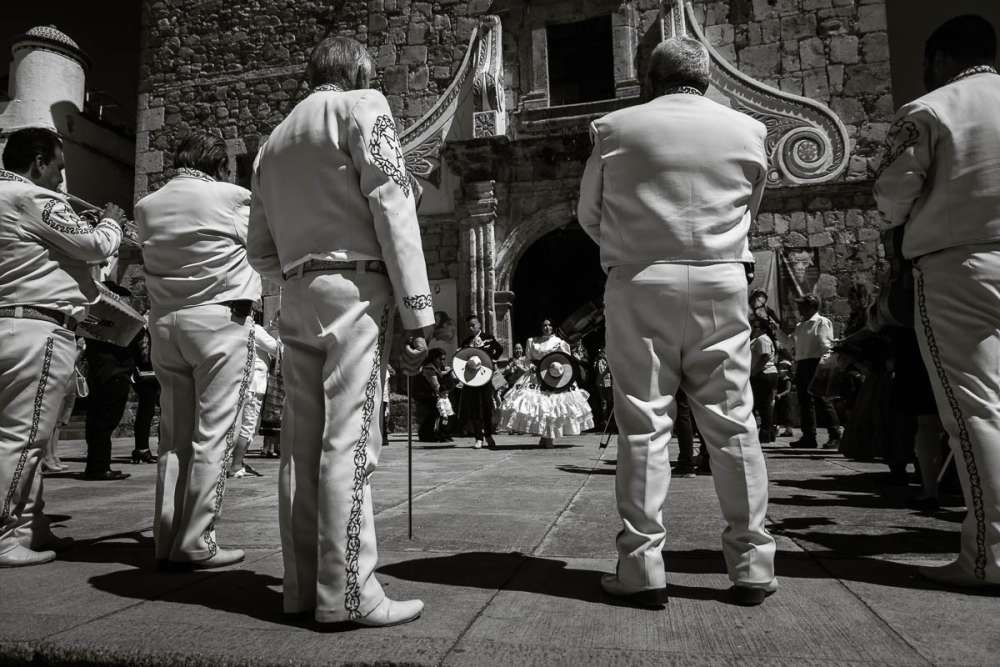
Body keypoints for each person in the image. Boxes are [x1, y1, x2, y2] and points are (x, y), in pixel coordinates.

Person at [577, 36, 777, 607]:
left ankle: (641, 566)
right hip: (721, 279)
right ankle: (753, 563)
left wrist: (630, 245)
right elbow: (749, 209)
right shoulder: (748, 131)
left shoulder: (613, 129)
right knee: (734, 423)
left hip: (641, 280)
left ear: (647, 77)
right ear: (707, 77)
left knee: (644, 423)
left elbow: (588, 212)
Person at [247, 35, 434, 626]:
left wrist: (303, 270)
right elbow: (393, 201)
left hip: (298, 292)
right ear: (357, 71)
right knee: (351, 439)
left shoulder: (271, 142)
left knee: (300, 447)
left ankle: (303, 587)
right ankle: (350, 591)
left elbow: (258, 247)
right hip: (357, 289)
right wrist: (417, 311)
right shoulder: (364, 105)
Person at [874, 14, 1000, 588]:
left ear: (944, 59)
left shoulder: (930, 109)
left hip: (960, 265)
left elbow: (893, 193)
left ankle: (988, 557)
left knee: (977, 412)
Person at [136, 131, 261, 571]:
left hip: (166, 324)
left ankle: (167, 536)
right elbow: (265, 247)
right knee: (215, 434)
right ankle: (197, 539)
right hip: (218, 322)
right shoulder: (230, 197)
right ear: (220, 167)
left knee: (173, 438)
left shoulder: (147, 206)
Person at [0, 127, 124, 567]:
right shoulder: (32, 198)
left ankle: (28, 525)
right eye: (58, 168)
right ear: (38, 163)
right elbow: (93, 246)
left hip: (8, 320)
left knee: (18, 435)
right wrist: (109, 220)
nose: (60, 181)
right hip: (36, 328)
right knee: (24, 438)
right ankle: (3, 536)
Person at [497, 318, 594, 448]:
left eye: (549, 325)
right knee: (539, 406)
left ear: (553, 327)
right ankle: (544, 436)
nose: (547, 327)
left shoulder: (559, 342)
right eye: (544, 325)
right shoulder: (532, 341)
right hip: (536, 376)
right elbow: (528, 358)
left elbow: (566, 361)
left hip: (554, 377)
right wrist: (531, 366)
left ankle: (549, 437)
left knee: (552, 406)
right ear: (541, 327)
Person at [82, 280, 138, 481]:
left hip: (106, 373)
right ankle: (98, 466)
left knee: (101, 421)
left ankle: (98, 464)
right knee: (104, 421)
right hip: (112, 374)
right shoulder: (106, 324)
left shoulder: (96, 323)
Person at [229, 312, 279, 478]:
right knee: (248, 427)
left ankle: (235, 462)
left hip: (242, 383)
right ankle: (236, 465)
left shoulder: (238, 327)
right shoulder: (254, 328)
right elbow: (278, 349)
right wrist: (284, 331)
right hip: (254, 385)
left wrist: (271, 327)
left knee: (237, 425)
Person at [791, 295, 842, 449]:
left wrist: (824, 366)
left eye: (803, 306)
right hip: (803, 363)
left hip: (816, 362)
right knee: (805, 402)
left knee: (822, 400)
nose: (800, 309)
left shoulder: (822, 322)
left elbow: (826, 345)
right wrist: (777, 330)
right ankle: (809, 436)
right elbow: (791, 344)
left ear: (812, 307)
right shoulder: (800, 326)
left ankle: (835, 435)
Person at [457, 315, 503, 449]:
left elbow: (499, 349)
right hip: (471, 378)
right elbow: (462, 358)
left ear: (479, 325)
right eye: (469, 326)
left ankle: (488, 435)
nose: (471, 328)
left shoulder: (488, 338)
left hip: (485, 377)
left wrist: (493, 359)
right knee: (474, 407)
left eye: (473, 325)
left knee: (487, 406)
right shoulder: (466, 342)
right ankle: (478, 437)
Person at [131, 309, 160, 464]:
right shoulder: (141, 326)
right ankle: (141, 449)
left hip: (157, 372)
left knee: (162, 410)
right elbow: (140, 352)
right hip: (145, 374)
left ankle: (160, 447)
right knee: (146, 411)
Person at [750, 317, 779, 444]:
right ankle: (767, 433)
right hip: (762, 373)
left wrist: (753, 372)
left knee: (764, 405)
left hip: (764, 373)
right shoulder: (758, 339)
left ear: (761, 328)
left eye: (755, 327)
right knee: (763, 404)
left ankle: (766, 433)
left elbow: (765, 356)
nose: (753, 329)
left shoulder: (762, 339)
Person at [415, 348, 454, 442]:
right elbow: (435, 385)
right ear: (434, 358)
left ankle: (442, 434)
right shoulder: (429, 368)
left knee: (442, 416)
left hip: (437, 395)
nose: (442, 361)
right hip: (428, 396)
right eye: (440, 359)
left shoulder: (438, 367)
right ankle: (427, 435)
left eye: (443, 359)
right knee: (432, 416)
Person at [773, 360, 795, 438]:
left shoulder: (787, 379)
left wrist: (780, 395)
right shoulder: (779, 379)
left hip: (785, 399)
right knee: (778, 414)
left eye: (782, 368)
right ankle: (776, 429)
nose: (780, 370)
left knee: (786, 414)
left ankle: (788, 430)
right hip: (779, 399)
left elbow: (788, 390)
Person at [593, 348, 613, 430]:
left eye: (602, 352)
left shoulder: (608, 359)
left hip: (608, 383)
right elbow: (601, 372)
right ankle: (604, 420)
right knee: (604, 401)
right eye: (601, 353)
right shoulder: (599, 361)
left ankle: (609, 419)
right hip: (601, 383)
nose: (601, 354)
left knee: (609, 401)